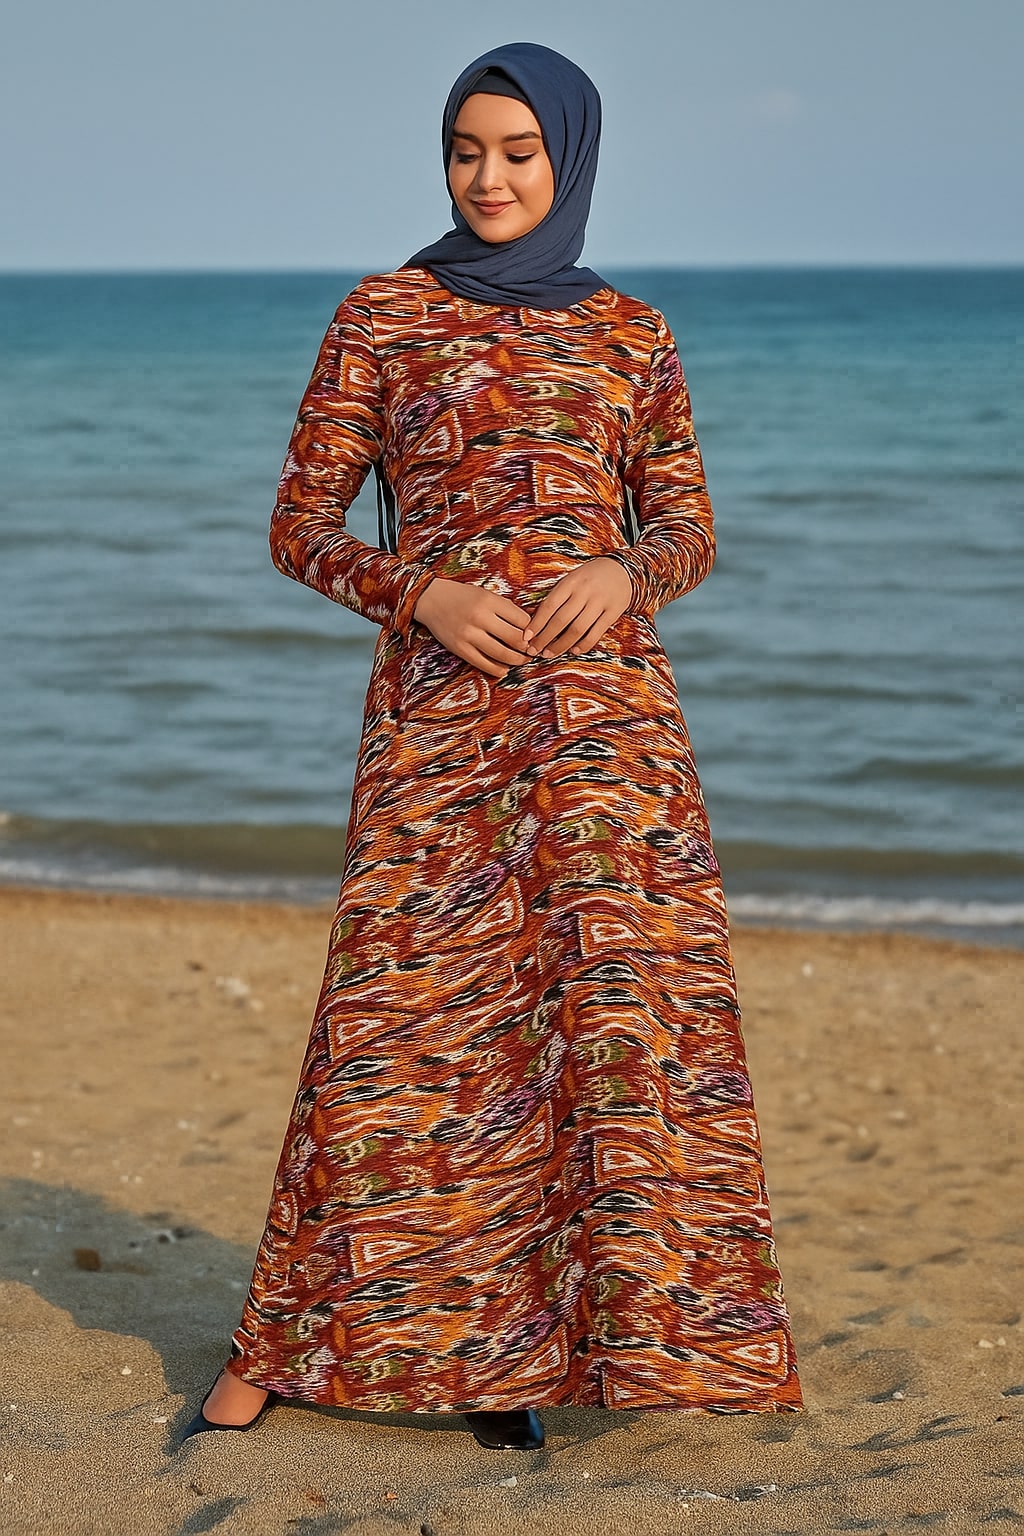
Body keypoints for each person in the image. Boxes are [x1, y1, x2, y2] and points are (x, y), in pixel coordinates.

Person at [182, 40, 803, 1453]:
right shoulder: (384, 317)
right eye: (468, 149)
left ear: (571, 157)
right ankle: (278, 1342)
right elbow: (300, 526)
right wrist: (425, 592)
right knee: (392, 1030)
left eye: (521, 151)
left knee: (590, 1040)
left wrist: (634, 577)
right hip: (441, 723)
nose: (491, 177)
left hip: (605, 734)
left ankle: (516, 1360)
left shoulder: (633, 331)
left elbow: (691, 523)